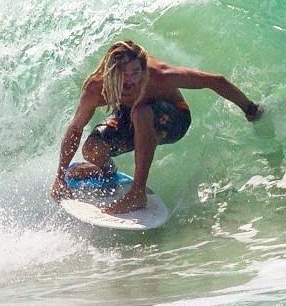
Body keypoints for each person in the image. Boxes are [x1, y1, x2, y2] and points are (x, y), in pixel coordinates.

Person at [50, 40, 263, 213]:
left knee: (140, 112)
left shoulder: (160, 76)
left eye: (135, 73)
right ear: (110, 73)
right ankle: (106, 171)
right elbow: (76, 128)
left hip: (173, 119)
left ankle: (137, 193)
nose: (131, 81)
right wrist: (60, 177)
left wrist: (250, 109)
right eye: (124, 75)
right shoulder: (96, 89)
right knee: (92, 148)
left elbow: (215, 81)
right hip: (132, 116)